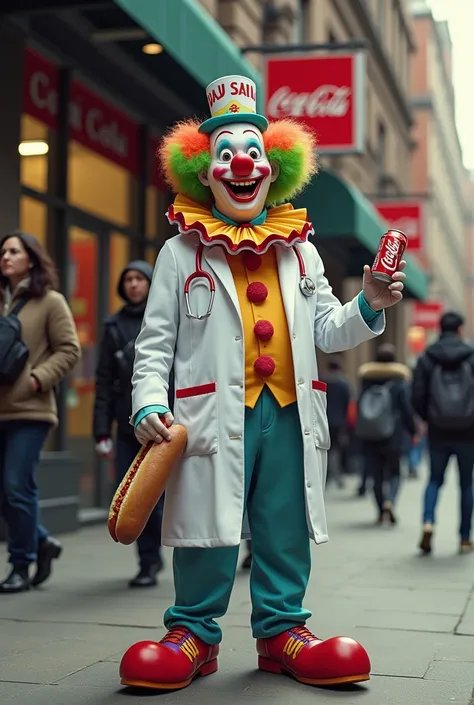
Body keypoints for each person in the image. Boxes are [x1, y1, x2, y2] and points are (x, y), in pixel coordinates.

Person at [118, 75, 406, 692]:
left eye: (251, 151)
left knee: (284, 519)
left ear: (273, 168)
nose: (240, 163)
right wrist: (147, 403)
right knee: (207, 522)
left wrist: (370, 304)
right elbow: (155, 345)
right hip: (207, 416)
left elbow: (328, 330)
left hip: (288, 412)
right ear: (205, 173)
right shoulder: (179, 253)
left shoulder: (301, 252)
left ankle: (283, 631)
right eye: (224, 154)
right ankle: (192, 630)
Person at [0, 231, 81, 593]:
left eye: (13, 251)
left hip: (30, 411)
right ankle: (43, 541)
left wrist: (35, 380)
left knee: (17, 485)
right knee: (5, 492)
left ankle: (20, 565)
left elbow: (68, 350)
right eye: (3, 251)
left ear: (30, 258)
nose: (5, 257)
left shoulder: (50, 301)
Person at [93, 261, 171, 588]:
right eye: (128, 280)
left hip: (168, 422)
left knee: (170, 499)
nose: (134, 285)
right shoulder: (113, 326)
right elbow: (103, 381)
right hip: (128, 426)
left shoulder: (166, 318)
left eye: (140, 279)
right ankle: (148, 562)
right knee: (138, 500)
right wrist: (100, 431)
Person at [412, 311, 474, 555]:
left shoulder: (428, 356)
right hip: (468, 430)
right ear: (460, 330)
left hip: (438, 430)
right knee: (466, 483)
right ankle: (464, 538)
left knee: (434, 480)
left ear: (439, 329)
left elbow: (417, 394)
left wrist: (428, 418)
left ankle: (428, 523)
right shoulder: (471, 356)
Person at [356, 344, 416, 524]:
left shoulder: (366, 380)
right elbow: (406, 409)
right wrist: (412, 430)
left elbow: (360, 406)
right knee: (396, 471)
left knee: (377, 475)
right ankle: (390, 501)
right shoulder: (399, 382)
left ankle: (380, 510)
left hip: (371, 435)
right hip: (393, 435)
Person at [321, 356, 352, 488]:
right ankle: (337, 476)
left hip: (323, 419)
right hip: (339, 421)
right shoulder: (344, 384)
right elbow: (348, 404)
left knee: (324, 449)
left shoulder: (322, 381)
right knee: (336, 450)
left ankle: (326, 476)